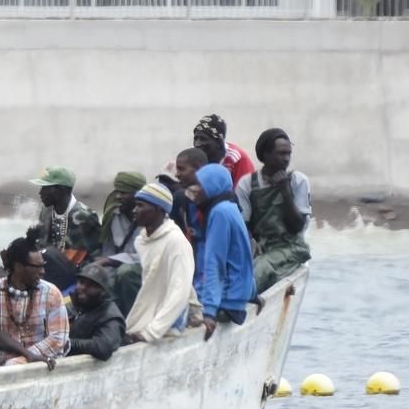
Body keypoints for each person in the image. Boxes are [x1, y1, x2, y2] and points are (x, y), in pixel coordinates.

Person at [238, 127, 312, 293]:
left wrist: (285, 191)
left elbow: (297, 226)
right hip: (262, 250)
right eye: (281, 154)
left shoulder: (297, 181)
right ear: (265, 155)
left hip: (291, 248)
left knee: (257, 274)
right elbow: (243, 226)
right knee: (237, 276)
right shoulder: (247, 183)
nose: (286, 159)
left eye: (288, 154)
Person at [0, 237, 70, 366]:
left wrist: (22, 357)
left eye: (43, 266)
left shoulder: (51, 293)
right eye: (37, 267)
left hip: (41, 362)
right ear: (19, 267)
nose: (42, 272)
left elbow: (58, 339)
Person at [124, 181, 196, 344]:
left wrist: (152, 332)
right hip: (150, 311)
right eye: (136, 205)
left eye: (141, 206)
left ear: (158, 209)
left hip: (171, 322)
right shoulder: (141, 241)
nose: (134, 210)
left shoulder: (176, 242)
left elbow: (180, 291)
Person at [192, 163, 255, 337]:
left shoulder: (219, 213)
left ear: (212, 186)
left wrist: (209, 312)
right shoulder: (231, 206)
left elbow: (215, 262)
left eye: (200, 185)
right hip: (239, 296)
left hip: (228, 301)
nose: (195, 190)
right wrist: (253, 293)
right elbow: (244, 256)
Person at [28, 166, 95, 291]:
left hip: (76, 275)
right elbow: (42, 244)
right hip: (48, 268)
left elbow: (78, 259)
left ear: (61, 190)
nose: (40, 193)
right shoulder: (47, 210)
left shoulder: (84, 216)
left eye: (45, 188)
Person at [65, 265, 127, 362]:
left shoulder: (111, 316)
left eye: (90, 285)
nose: (83, 287)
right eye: (81, 282)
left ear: (103, 291)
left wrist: (67, 343)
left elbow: (103, 347)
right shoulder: (74, 304)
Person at [192, 113, 257, 187]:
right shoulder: (196, 158)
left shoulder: (236, 158)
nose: (197, 144)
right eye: (195, 138)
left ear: (219, 141)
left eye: (203, 139)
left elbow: (247, 191)